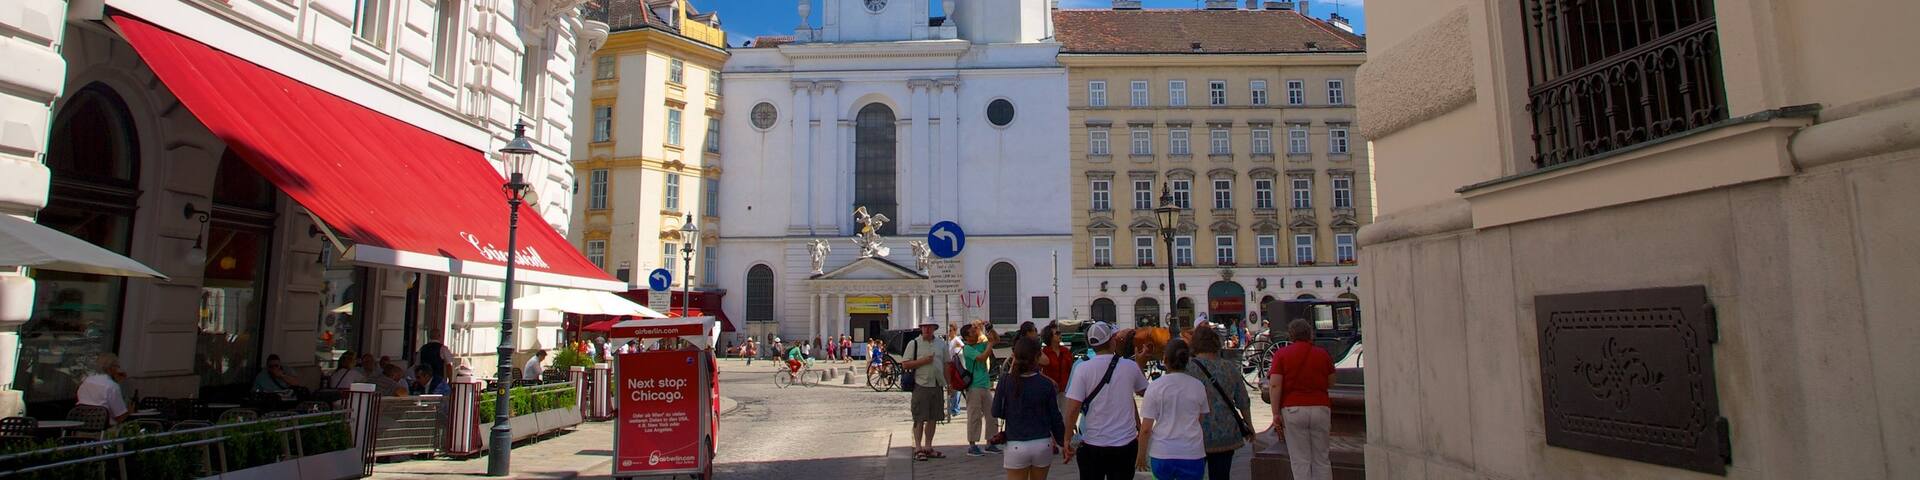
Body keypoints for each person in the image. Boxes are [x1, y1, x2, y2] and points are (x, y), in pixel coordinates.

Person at [1063, 322, 1150, 480]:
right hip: (1125, 443)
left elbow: (1073, 408)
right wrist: (1140, 364)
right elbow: (1146, 392)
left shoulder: (1082, 368)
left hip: (1093, 442)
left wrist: (1067, 438)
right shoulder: (1129, 367)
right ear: (1112, 341)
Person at [1270, 319, 1336, 480]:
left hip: (1293, 409)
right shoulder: (1322, 354)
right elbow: (1331, 382)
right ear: (1310, 334)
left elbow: (1275, 385)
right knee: (1321, 459)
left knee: (1300, 460)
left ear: (1291, 335)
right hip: (1320, 408)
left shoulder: (1282, 354)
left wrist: (1275, 413)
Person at [992, 336, 1065, 480]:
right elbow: (1055, 417)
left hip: (1016, 443)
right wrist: (1064, 442)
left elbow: (996, 411)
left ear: (1015, 355)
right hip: (1042, 443)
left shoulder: (1006, 381)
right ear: (1037, 357)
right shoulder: (1046, 384)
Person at [1138, 339, 1209, 480]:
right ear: (1187, 360)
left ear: (1165, 360)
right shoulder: (1198, 386)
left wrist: (1141, 456)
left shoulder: (1155, 387)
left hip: (1162, 452)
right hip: (1192, 452)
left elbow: (1146, 429)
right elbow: (1200, 419)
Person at [1189, 328, 1255, 480]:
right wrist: (1249, 424)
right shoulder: (1230, 367)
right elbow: (1243, 401)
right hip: (1225, 433)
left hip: (1196, 432)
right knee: (1221, 475)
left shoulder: (1188, 369)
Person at [898, 321, 949, 461]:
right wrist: (923, 361)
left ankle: (928, 446)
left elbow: (946, 364)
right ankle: (918, 448)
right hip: (920, 384)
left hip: (937, 384)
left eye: (929, 327)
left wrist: (949, 384)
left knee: (933, 418)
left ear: (934, 329)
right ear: (921, 328)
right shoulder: (913, 344)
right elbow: (905, 364)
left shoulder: (941, 344)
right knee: (919, 418)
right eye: (924, 327)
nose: (926, 329)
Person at [960, 323, 1001, 456]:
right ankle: (972, 445)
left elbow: (996, 340)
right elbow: (982, 357)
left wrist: (990, 329)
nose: (976, 333)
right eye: (972, 332)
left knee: (991, 414)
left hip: (985, 384)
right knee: (974, 416)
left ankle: (991, 441)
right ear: (967, 337)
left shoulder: (980, 344)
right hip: (974, 387)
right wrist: (989, 344)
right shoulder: (967, 349)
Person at [76, 353, 130, 424]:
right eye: (117, 366)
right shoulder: (112, 386)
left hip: (81, 423)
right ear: (112, 367)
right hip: (104, 427)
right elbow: (120, 416)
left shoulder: (85, 381)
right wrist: (130, 411)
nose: (118, 369)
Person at [1038, 325, 1075, 417]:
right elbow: (1037, 371)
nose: (1060, 335)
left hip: (1065, 390)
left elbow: (1071, 369)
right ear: (1050, 336)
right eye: (1057, 333)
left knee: (1065, 418)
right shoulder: (1044, 353)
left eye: (1060, 333)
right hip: (1049, 391)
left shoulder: (1065, 351)